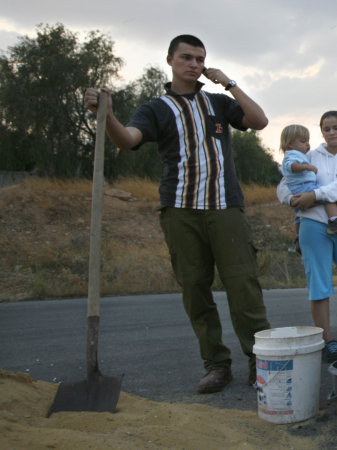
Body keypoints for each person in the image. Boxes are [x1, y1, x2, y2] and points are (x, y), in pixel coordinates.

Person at [83, 34, 270, 394]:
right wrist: (107, 115)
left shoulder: (217, 102)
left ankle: (259, 362)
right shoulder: (156, 108)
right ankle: (216, 364)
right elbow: (127, 139)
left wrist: (229, 83)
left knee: (244, 288)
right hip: (180, 210)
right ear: (170, 60)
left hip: (225, 208)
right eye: (186, 57)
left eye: (200, 59)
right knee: (195, 290)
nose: (194, 64)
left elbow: (259, 121)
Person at [276, 111, 337, 363]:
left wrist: (315, 195)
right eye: (327, 129)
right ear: (321, 132)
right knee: (319, 287)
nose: (332, 133)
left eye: (336, 127)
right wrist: (294, 200)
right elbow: (284, 186)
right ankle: (328, 341)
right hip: (313, 226)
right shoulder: (309, 155)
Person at [279, 124, 337, 245]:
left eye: (308, 141)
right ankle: (334, 222)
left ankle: (298, 237)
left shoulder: (300, 155)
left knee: (298, 216)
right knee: (328, 197)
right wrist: (307, 167)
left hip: (299, 188)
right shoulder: (293, 155)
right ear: (290, 144)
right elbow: (290, 167)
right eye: (303, 141)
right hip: (304, 186)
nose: (307, 144)